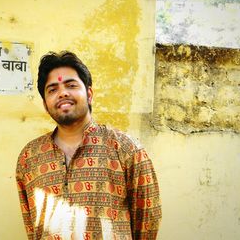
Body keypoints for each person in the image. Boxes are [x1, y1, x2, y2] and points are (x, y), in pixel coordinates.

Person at [16, 51, 162, 240]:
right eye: (52, 89)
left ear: (89, 94)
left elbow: (148, 221)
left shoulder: (126, 148)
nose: (62, 93)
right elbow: (32, 225)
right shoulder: (29, 157)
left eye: (71, 85)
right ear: (45, 105)